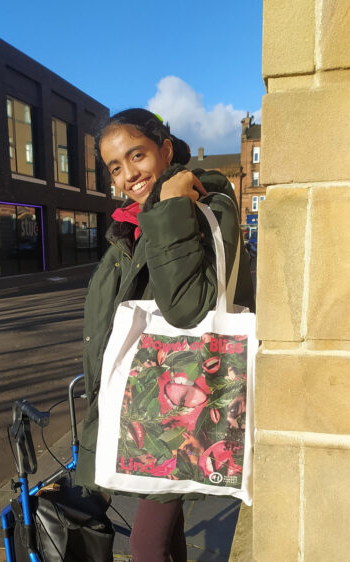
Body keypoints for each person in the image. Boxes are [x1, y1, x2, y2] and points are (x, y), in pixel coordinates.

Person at [75, 108, 255, 562]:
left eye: (137, 155)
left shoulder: (206, 203)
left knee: (145, 544)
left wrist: (174, 206)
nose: (128, 174)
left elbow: (188, 308)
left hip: (177, 407)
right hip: (143, 402)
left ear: (166, 150)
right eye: (115, 167)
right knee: (164, 535)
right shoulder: (131, 225)